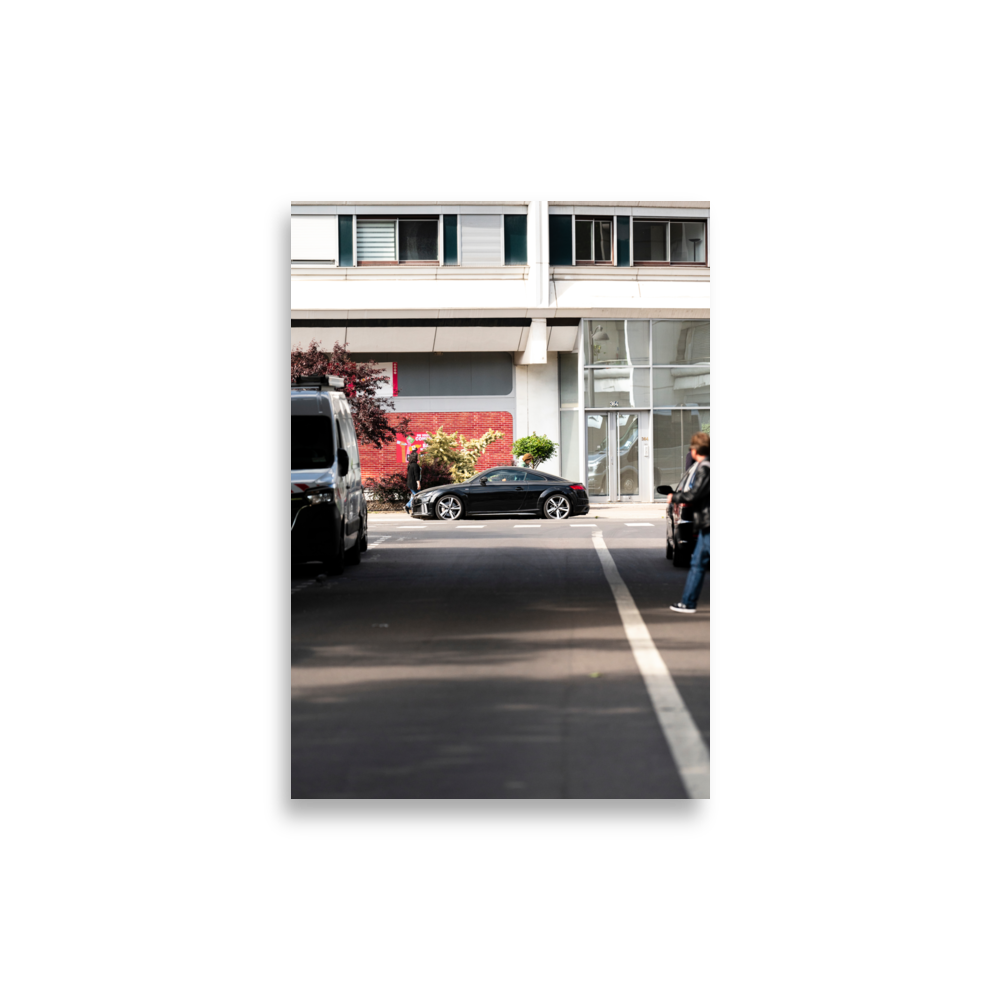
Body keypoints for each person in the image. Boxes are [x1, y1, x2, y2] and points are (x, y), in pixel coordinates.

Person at [667, 433, 711, 614]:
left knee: (698, 564)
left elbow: (695, 493)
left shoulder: (704, 468)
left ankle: (688, 603)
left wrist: (674, 496)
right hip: (705, 525)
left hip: (708, 524)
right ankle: (688, 602)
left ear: (694, 451)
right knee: (698, 564)